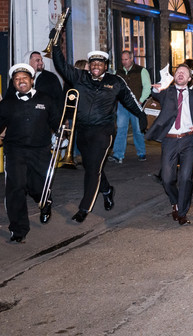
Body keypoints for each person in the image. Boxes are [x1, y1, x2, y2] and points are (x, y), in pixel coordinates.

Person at [51, 39, 148, 223]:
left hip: (103, 131)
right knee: (91, 166)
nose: (96, 66)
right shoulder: (79, 77)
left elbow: (129, 99)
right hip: (82, 131)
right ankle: (107, 190)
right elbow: (61, 65)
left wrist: (141, 115)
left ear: (106, 66)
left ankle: (84, 209)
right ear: (89, 66)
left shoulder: (115, 81)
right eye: (93, 63)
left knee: (93, 168)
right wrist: (56, 45)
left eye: (100, 63)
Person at [0, 64, 61, 242]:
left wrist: (61, 135)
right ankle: (18, 230)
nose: (21, 81)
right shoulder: (6, 104)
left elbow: (56, 121)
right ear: (13, 83)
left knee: (38, 187)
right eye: (17, 79)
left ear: (32, 80)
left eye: (24, 78)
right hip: (15, 151)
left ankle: (45, 202)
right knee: (16, 189)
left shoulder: (46, 99)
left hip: (40, 151)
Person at [146, 64, 193, 225]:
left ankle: (182, 212)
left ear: (189, 79)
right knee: (167, 179)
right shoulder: (167, 92)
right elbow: (155, 93)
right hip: (170, 139)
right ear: (174, 77)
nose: (180, 74)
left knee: (186, 177)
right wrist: (158, 87)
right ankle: (175, 201)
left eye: (184, 73)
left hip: (188, 140)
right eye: (178, 72)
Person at [109, 50, 151, 163]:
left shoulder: (141, 71)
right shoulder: (118, 72)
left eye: (126, 59)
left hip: (136, 104)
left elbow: (147, 87)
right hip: (122, 105)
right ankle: (118, 154)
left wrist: (141, 100)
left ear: (132, 59)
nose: (124, 62)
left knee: (138, 129)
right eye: (122, 59)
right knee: (121, 129)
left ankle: (141, 152)